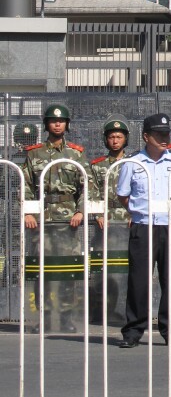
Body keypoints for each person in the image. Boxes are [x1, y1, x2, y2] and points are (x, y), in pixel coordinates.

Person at [116, 113, 171, 348]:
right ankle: (133, 331)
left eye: (166, 133)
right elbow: (122, 195)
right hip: (143, 226)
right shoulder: (133, 163)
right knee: (139, 282)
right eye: (158, 134)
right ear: (146, 136)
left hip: (170, 226)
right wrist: (140, 212)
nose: (164, 138)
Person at [22, 103, 88, 333]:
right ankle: (46, 317)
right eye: (53, 121)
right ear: (47, 124)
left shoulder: (76, 154)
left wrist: (81, 211)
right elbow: (26, 186)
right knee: (44, 272)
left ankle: (67, 318)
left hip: (69, 221)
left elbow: (86, 186)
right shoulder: (34, 154)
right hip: (42, 220)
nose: (57, 124)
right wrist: (29, 212)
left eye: (61, 121)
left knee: (67, 271)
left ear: (67, 124)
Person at [89, 116, 131, 324]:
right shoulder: (97, 166)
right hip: (105, 222)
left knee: (127, 269)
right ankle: (103, 312)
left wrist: (135, 213)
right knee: (104, 270)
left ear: (126, 139)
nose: (115, 140)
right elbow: (92, 192)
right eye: (111, 137)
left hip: (128, 220)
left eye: (119, 137)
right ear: (106, 140)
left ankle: (125, 311)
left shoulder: (134, 163)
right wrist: (98, 214)